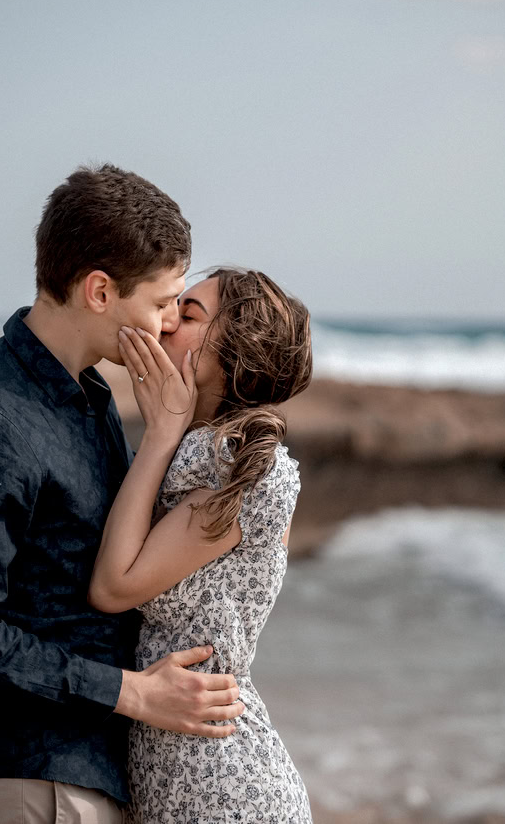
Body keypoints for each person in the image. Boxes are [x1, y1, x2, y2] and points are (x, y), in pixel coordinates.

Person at [0, 165, 244, 824]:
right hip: (17, 783)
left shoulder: (94, 398)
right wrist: (130, 693)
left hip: (81, 781)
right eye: (162, 303)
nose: (167, 325)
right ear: (100, 290)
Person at [89, 267, 314, 823]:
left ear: (238, 350)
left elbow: (114, 586)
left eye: (187, 315)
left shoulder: (239, 469)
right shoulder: (202, 456)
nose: (165, 323)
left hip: (223, 785)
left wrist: (161, 433)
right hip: (180, 770)